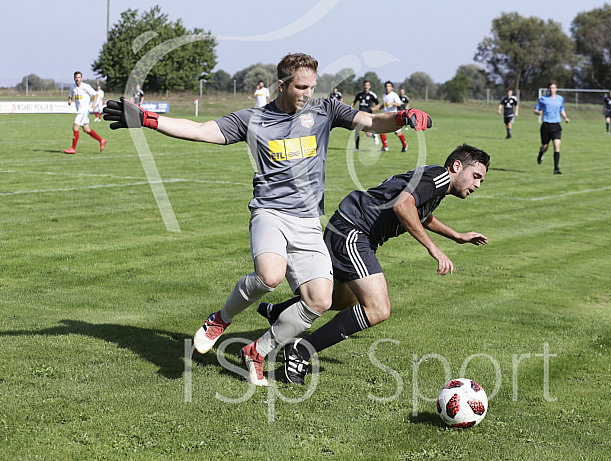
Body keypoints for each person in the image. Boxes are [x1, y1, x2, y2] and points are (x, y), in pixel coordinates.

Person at [103, 52, 432, 386]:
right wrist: (148, 120)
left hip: (307, 221)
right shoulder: (254, 119)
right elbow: (202, 130)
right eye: (301, 87)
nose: (307, 93)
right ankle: (220, 319)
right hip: (270, 212)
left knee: (321, 299)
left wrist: (403, 116)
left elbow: (373, 121)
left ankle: (257, 352)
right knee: (269, 276)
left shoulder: (325, 110)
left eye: (312, 86)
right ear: (282, 84)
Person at [255, 144, 490, 385]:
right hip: (353, 232)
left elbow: (421, 213)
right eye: (476, 176)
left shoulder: (435, 181)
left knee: (343, 300)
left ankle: (281, 312)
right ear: (457, 166)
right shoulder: (438, 177)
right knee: (378, 308)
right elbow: (403, 206)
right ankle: (300, 350)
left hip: (349, 228)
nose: (478, 185)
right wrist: (434, 249)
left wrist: (457, 236)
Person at [64, 71, 106, 154]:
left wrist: (94, 104)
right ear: (74, 78)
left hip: (83, 110)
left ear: (81, 78)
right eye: (76, 77)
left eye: (79, 77)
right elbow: (70, 95)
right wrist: (69, 100)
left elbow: (95, 94)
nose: (77, 79)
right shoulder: (73, 87)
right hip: (79, 110)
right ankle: (101, 140)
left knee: (75, 128)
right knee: (86, 129)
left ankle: (73, 148)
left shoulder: (85, 86)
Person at [534, 81, 569, 174]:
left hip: (556, 125)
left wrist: (565, 117)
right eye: (550, 87)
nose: (551, 89)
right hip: (546, 125)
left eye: (553, 87)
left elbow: (562, 109)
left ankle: (556, 168)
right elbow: (536, 109)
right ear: (548, 89)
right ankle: (541, 153)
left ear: (556, 89)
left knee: (556, 146)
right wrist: (537, 112)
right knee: (545, 146)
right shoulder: (543, 99)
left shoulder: (560, 99)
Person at [375, 81, 407, 152]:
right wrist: (380, 108)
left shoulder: (394, 95)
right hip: (385, 116)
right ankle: (385, 147)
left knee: (397, 133)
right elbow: (385, 104)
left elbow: (399, 104)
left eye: (389, 86)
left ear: (392, 88)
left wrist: (391, 103)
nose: (387, 88)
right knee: (381, 131)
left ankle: (405, 146)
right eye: (386, 86)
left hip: (393, 116)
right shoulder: (384, 95)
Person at [351, 80, 380, 150]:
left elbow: (378, 104)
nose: (366, 86)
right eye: (365, 85)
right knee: (357, 132)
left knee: (367, 134)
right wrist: (350, 108)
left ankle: (373, 135)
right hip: (360, 115)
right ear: (363, 86)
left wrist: (374, 108)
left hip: (368, 116)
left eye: (367, 85)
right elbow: (354, 102)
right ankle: (357, 147)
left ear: (369, 86)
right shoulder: (359, 94)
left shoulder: (372, 95)